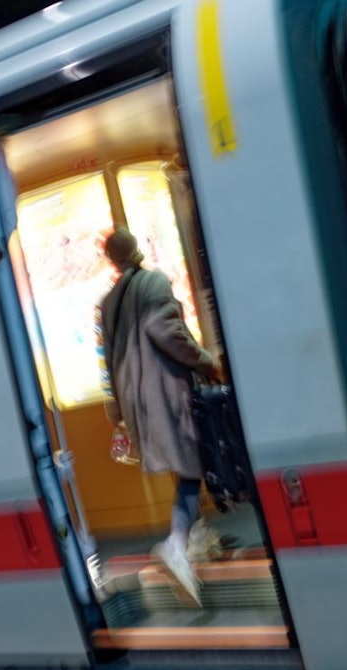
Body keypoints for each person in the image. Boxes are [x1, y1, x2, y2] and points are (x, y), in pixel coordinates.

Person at [98, 227, 220, 606]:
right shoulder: (153, 282)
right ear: (136, 250)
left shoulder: (109, 300)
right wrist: (205, 361)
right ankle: (177, 544)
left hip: (137, 399)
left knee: (182, 464)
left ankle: (197, 536)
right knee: (190, 469)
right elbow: (165, 329)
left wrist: (117, 408)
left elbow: (108, 355)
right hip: (165, 391)